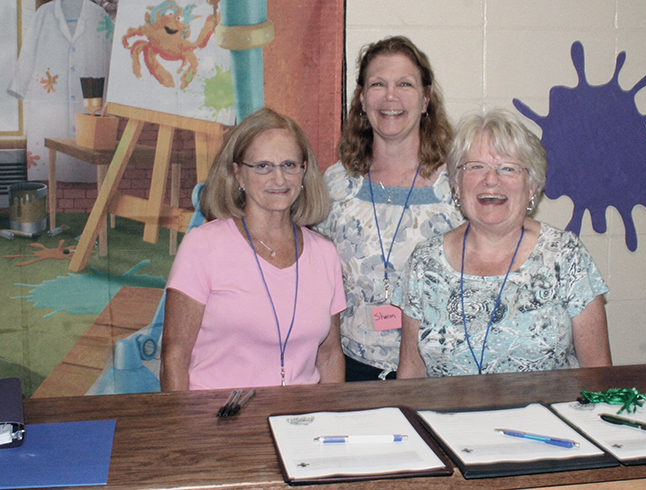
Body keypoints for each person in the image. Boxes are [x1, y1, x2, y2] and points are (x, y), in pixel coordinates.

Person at [395, 109, 612, 378]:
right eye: (475, 167)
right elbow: (411, 372)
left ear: (532, 187)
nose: (491, 179)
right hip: (446, 418)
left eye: (508, 168)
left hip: (547, 417)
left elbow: (599, 374)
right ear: (456, 185)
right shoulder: (424, 262)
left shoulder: (565, 256)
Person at [161, 108, 346, 391]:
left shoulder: (324, 254)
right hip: (216, 423)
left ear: (304, 171)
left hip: (301, 423)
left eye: (289, 165)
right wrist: (183, 431)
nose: (279, 179)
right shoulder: (204, 246)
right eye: (262, 166)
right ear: (238, 174)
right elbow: (175, 357)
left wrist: (332, 422)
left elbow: (330, 354)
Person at [315, 36, 464, 381]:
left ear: (426, 99)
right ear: (362, 98)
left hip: (439, 376)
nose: (390, 96)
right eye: (378, 84)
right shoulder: (336, 183)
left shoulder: (458, 184)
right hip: (351, 371)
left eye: (405, 84)